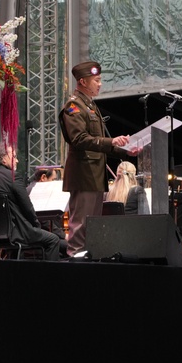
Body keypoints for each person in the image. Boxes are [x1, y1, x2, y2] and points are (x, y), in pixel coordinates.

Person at [59, 60, 137, 257]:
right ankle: (75, 260)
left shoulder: (90, 106)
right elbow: (79, 139)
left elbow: (100, 144)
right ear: (83, 82)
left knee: (92, 224)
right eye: (97, 80)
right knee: (81, 224)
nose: (100, 84)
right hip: (83, 174)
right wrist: (112, 141)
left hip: (94, 174)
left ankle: (89, 260)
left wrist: (125, 151)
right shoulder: (73, 107)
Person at [0, 141, 62, 261]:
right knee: (53, 240)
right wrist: (36, 226)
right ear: (4, 159)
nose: (17, 160)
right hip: (16, 234)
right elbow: (27, 207)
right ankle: (50, 279)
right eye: (14, 157)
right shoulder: (13, 177)